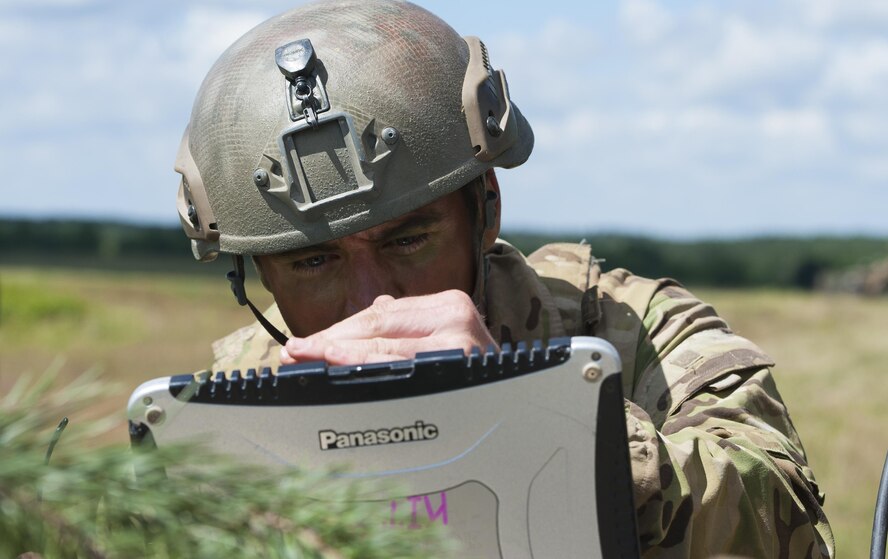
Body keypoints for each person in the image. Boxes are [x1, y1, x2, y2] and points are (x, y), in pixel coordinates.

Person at [174, 0, 835, 556]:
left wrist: (546, 422)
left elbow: (780, 513)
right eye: (313, 260)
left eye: (409, 238)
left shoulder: (635, 332)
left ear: (486, 207)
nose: (371, 301)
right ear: (256, 270)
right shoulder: (228, 413)